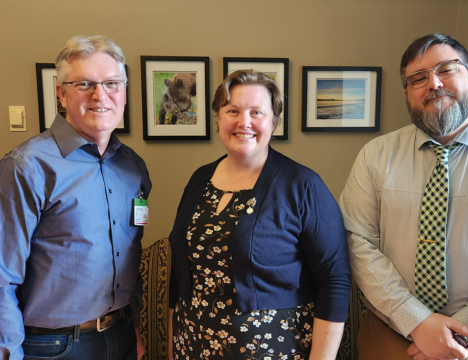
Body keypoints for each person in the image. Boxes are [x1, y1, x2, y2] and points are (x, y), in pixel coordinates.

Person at [340, 33, 468, 360]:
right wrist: (417, 323)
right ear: (407, 92)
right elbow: (357, 242)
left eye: (447, 69)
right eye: (418, 78)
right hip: (390, 341)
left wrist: (459, 335)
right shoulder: (374, 156)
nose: (433, 83)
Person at [167, 69, 351, 360]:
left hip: (272, 350)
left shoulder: (303, 185)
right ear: (218, 118)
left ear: (274, 122)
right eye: (233, 110)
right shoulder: (199, 179)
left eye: (257, 112)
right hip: (190, 346)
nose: (244, 122)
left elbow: (335, 279)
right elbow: (179, 278)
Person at [0, 35, 150, 360]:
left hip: (120, 335)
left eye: (112, 83)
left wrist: (135, 329)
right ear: (61, 93)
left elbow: (130, 255)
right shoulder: (27, 167)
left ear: (123, 93)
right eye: (84, 83)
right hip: (53, 347)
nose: (100, 95)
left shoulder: (133, 168)